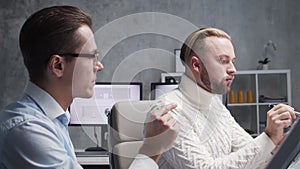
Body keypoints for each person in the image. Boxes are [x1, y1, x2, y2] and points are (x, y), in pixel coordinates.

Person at [0, 6, 178, 169]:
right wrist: (152, 148)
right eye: (92, 57)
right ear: (58, 65)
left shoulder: (52, 121)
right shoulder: (27, 130)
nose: (99, 66)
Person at [155, 27, 297, 169]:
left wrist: (283, 141)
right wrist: (269, 136)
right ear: (196, 65)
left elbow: (253, 155)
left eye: (232, 61)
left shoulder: (215, 104)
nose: (233, 69)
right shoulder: (169, 110)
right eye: (223, 60)